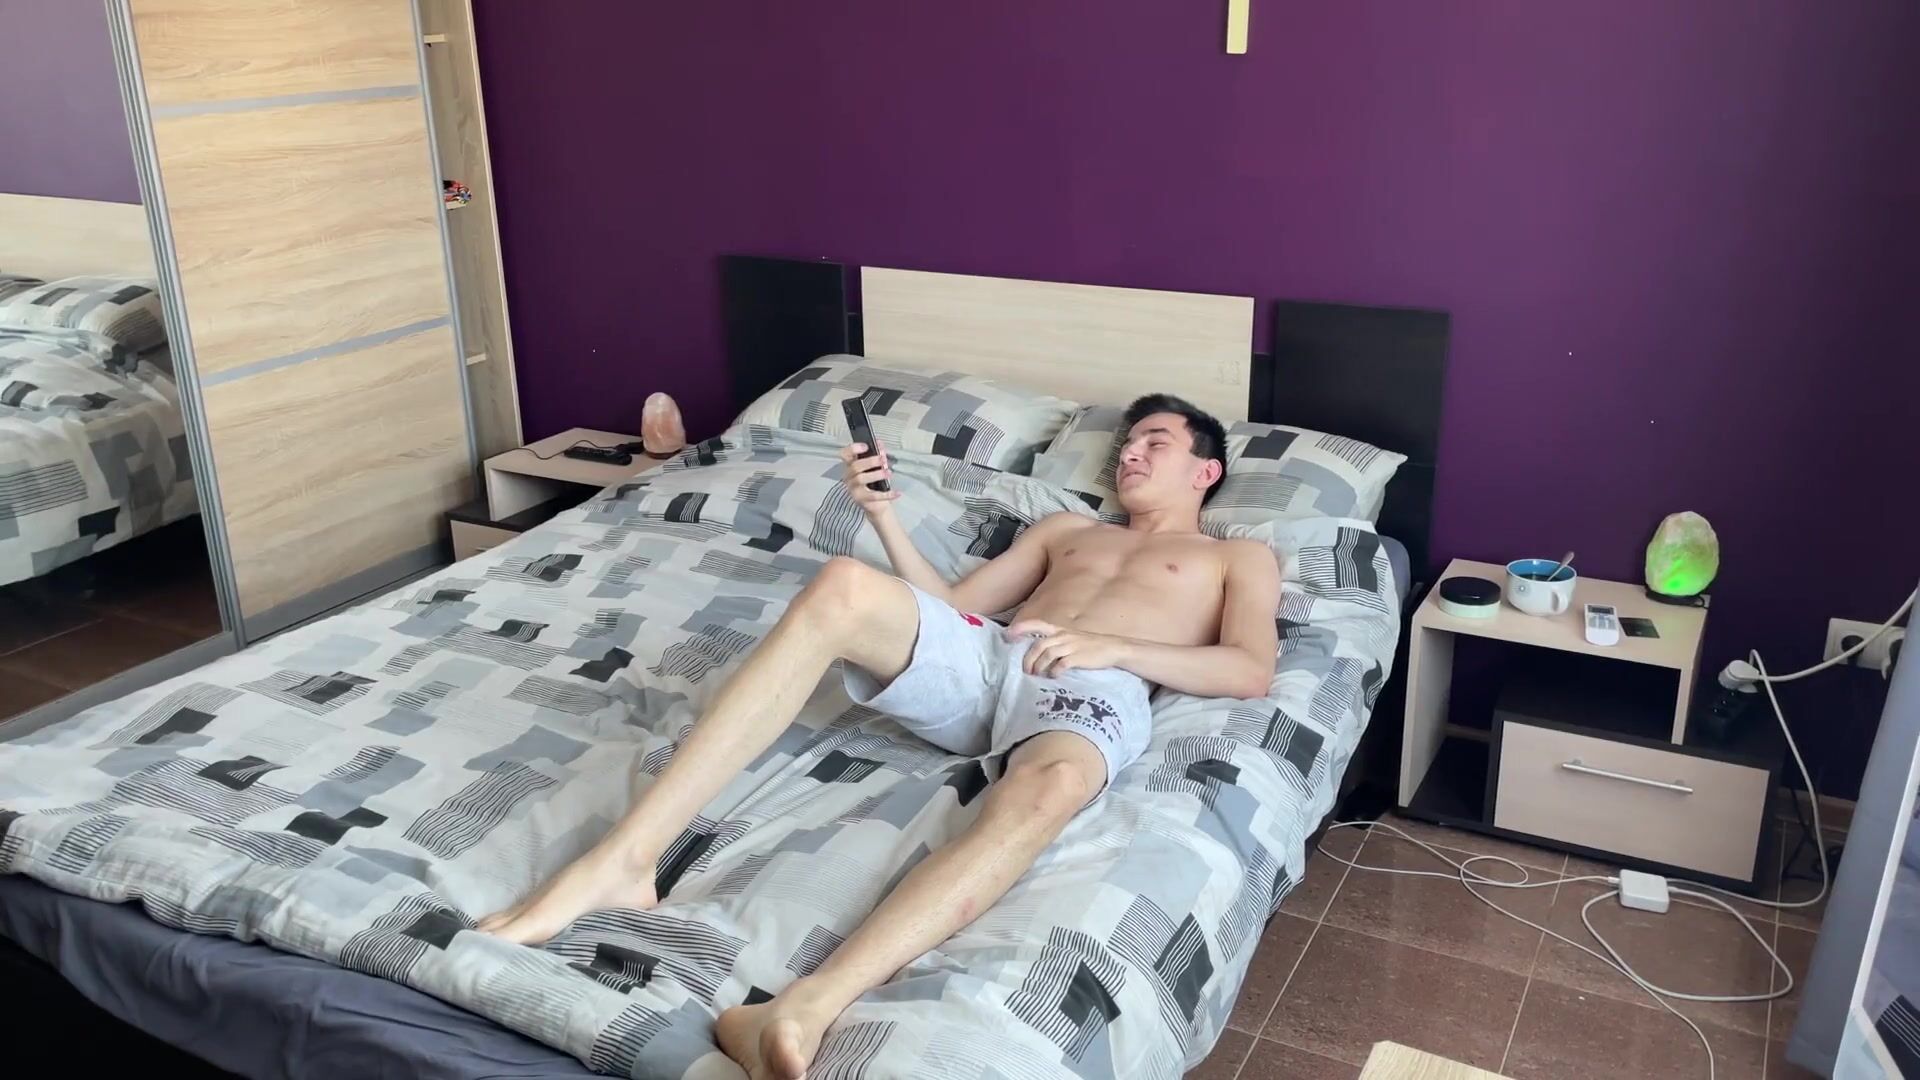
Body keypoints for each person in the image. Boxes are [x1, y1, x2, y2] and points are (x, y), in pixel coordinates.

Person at [479, 393, 1282, 1080]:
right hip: (988, 655)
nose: (1130, 454)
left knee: (1052, 790)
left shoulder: (1237, 556)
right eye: (1127, 442)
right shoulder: (1068, 528)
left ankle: (803, 1007)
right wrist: (883, 514)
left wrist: (1115, 649)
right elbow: (954, 608)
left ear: (1204, 471)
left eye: (1155, 443)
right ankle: (625, 861)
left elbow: (1249, 669)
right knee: (843, 585)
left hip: (1092, 686)